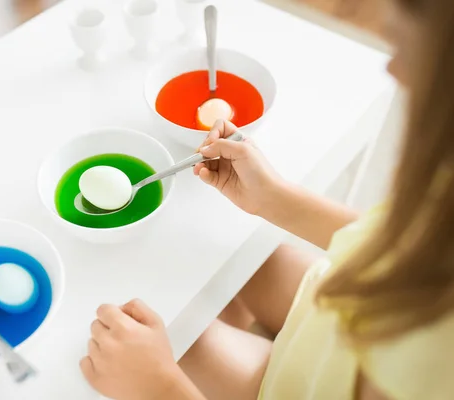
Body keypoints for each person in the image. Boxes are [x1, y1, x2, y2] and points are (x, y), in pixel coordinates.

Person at [79, 0, 454, 398]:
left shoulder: (426, 369)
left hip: (300, 386)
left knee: (180, 327)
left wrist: (160, 386)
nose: (390, 68)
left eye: (402, 48)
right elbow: (405, 245)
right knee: (247, 257)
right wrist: (274, 199)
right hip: (341, 306)